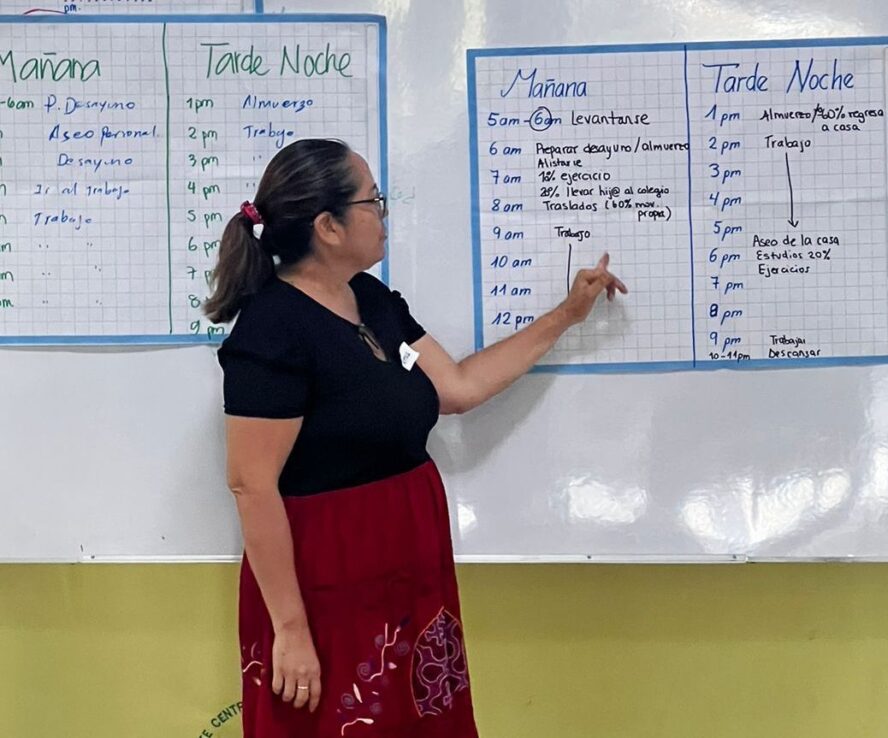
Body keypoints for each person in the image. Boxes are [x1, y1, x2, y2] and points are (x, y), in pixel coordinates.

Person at [205, 138, 627, 737]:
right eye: (372, 201)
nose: (383, 214)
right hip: (323, 582)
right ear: (328, 225)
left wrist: (566, 316)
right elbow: (251, 485)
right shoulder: (272, 330)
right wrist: (291, 630)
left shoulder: (371, 299)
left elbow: (456, 388)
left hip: (406, 563)